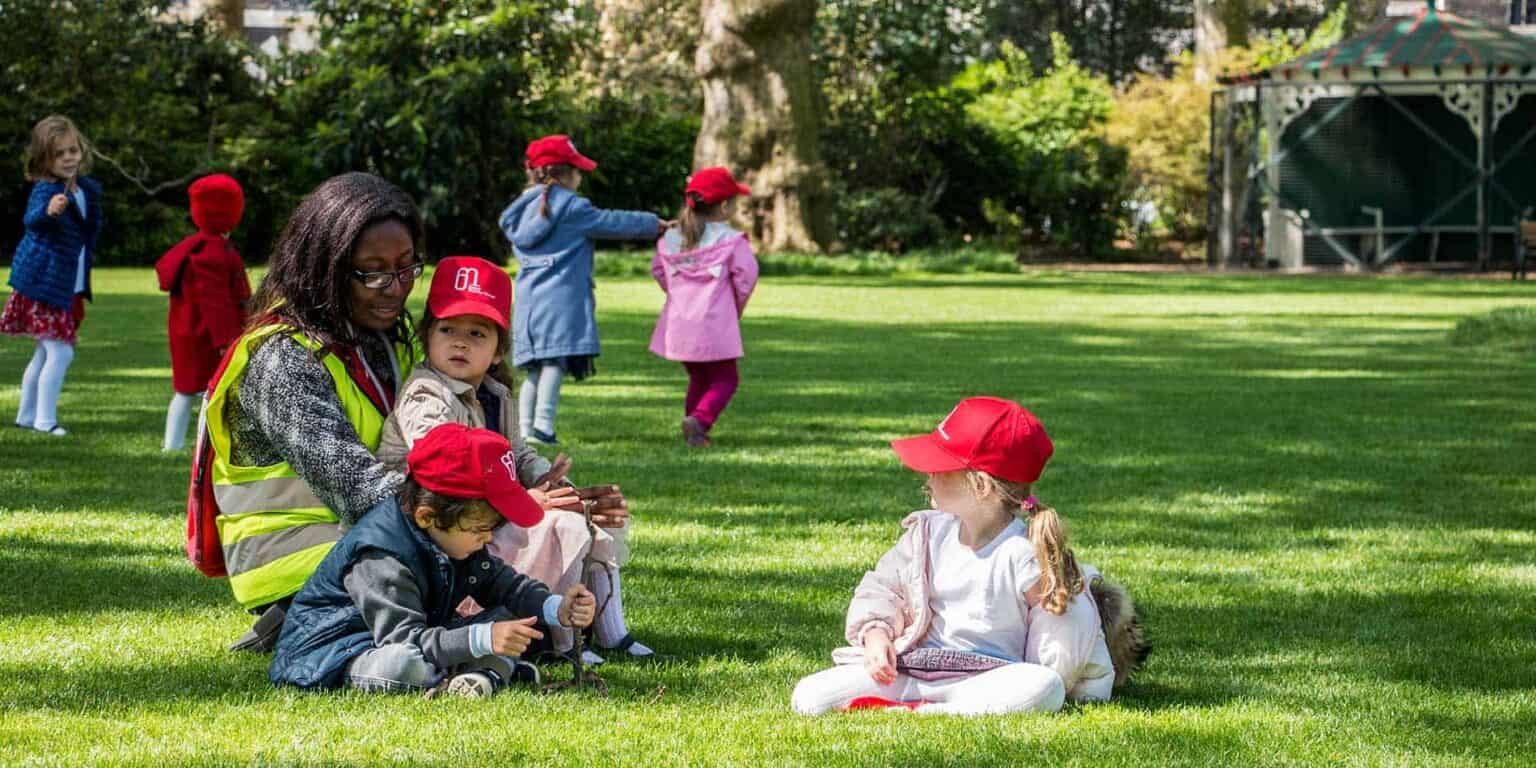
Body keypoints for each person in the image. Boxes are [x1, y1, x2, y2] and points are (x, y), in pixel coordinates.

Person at [376, 255, 657, 664]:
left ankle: (611, 631)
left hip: (480, 512)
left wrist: (552, 483)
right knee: (558, 524)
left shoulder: (494, 393)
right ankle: (560, 642)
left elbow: (518, 453)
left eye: (477, 332)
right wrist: (530, 502)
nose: (460, 342)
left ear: (496, 351)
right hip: (439, 527)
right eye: (447, 329)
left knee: (592, 513)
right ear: (427, 336)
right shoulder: (426, 395)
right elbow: (447, 469)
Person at [791, 396, 1148, 715]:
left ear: (980, 486)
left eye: (940, 465)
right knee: (809, 696)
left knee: (1044, 688)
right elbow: (883, 588)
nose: (927, 474)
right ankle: (927, 704)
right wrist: (876, 636)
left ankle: (926, 712)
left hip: (987, 678)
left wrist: (1078, 687)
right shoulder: (927, 534)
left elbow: (1066, 631)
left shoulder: (1021, 554)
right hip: (913, 669)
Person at [203, 172, 422, 652]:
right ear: (325, 268)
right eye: (373, 272)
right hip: (296, 557)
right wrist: (492, 511)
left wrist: (536, 494)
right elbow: (360, 490)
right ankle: (301, 620)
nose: (395, 288)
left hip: (366, 538)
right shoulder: (281, 357)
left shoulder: (382, 338)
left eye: (407, 268)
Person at [269, 423, 597, 696]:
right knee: (402, 663)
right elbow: (405, 639)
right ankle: (487, 672)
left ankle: (479, 678)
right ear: (428, 516)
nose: (488, 538)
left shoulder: (452, 537)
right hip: (340, 654)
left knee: (511, 616)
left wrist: (557, 608)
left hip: (414, 636)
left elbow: (504, 584)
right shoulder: (381, 555)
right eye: (482, 529)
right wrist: (483, 639)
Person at [498, 134, 673, 445]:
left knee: (534, 367)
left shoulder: (521, 210)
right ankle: (544, 426)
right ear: (563, 173)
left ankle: (524, 429)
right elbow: (612, 222)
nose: (580, 176)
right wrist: (653, 224)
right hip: (562, 297)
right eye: (577, 170)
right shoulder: (572, 208)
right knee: (555, 361)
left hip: (528, 299)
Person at [2, 115, 103, 437]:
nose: (69, 158)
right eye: (60, 154)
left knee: (44, 351)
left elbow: (88, 230)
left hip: (66, 283)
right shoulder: (46, 191)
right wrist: (49, 211)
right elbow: (32, 221)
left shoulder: (85, 189)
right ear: (45, 159)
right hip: (42, 283)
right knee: (61, 351)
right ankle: (46, 421)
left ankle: (26, 415)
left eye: (73, 150)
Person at [649, 167, 759, 448]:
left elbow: (658, 271)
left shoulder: (672, 239)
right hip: (713, 321)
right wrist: (735, 305)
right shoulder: (731, 241)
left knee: (699, 375)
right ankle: (699, 421)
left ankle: (693, 427)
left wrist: (677, 295)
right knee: (726, 379)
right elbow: (746, 276)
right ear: (724, 206)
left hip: (680, 323)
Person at [155, 174, 251, 451]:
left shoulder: (191, 247)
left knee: (185, 392)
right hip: (208, 338)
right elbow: (216, 303)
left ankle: (172, 444)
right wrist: (227, 341)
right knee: (216, 393)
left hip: (185, 331)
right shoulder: (216, 254)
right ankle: (209, 447)